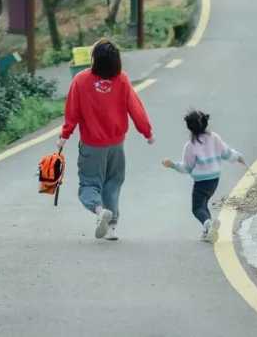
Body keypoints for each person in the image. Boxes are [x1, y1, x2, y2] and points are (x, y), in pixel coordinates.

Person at [57, 38, 154, 241]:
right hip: (116, 145)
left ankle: (99, 210)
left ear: (94, 60)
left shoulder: (81, 81)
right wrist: (147, 132)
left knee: (89, 185)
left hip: (92, 145)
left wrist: (64, 136)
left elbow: (72, 112)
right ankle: (112, 228)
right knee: (113, 183)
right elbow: (136, 108)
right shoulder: (122, 79)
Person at [162, 109, 246, 241]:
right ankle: (208, 231)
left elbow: (187, 168)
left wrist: (172, 165)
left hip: (201, 182)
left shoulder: (190, 146)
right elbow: (226, 153)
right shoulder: (214, 138)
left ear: (190, 128)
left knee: (196, 208)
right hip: (214, 180)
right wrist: (238, 157)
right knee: (204, 203)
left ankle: (208, 223)